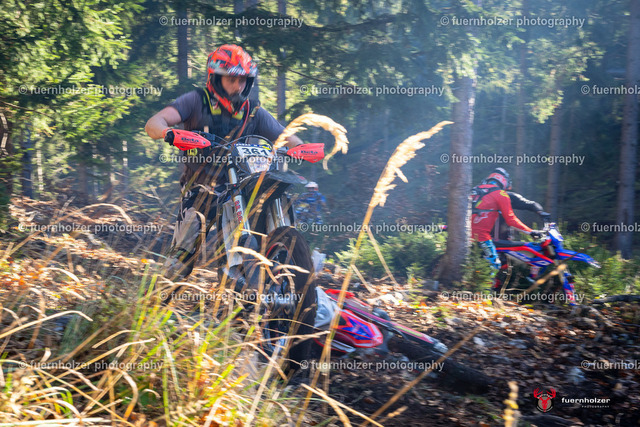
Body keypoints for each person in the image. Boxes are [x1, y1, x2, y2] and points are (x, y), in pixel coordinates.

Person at [145, 44, 303, 281]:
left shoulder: (253, 110)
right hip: (201, 190)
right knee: (180, 262)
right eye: (232, 79)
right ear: (216, 79)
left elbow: (287, 137)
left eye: (243, 80)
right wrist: (169, 133)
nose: (238, 86)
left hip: (243, 186)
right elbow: (154, 123)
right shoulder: (195, 101)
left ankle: (283, 273)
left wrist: (299, 149)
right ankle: (160, 293)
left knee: (272, 197)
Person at [470, 168, 543, 290]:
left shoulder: (474, 191)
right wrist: (531, 231)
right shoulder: (502, 194)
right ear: (504, 182)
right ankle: (484, 294)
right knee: (495, 265)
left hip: (466, 235)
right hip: (486, 238)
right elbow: (511, 219)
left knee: (474, 262)